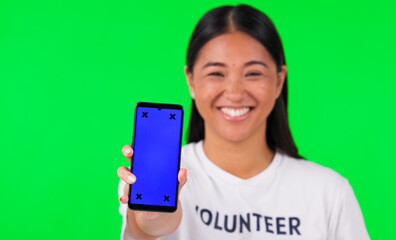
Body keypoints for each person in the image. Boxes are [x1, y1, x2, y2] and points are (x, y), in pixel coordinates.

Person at [117, 4, 370, 240]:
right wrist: (152, 214)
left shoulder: (329, 192)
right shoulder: (164, 172)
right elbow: (149, 229)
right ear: (191, 80)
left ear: (279, 81)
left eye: (253, 73)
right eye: (216, 73)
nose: (235, 92)